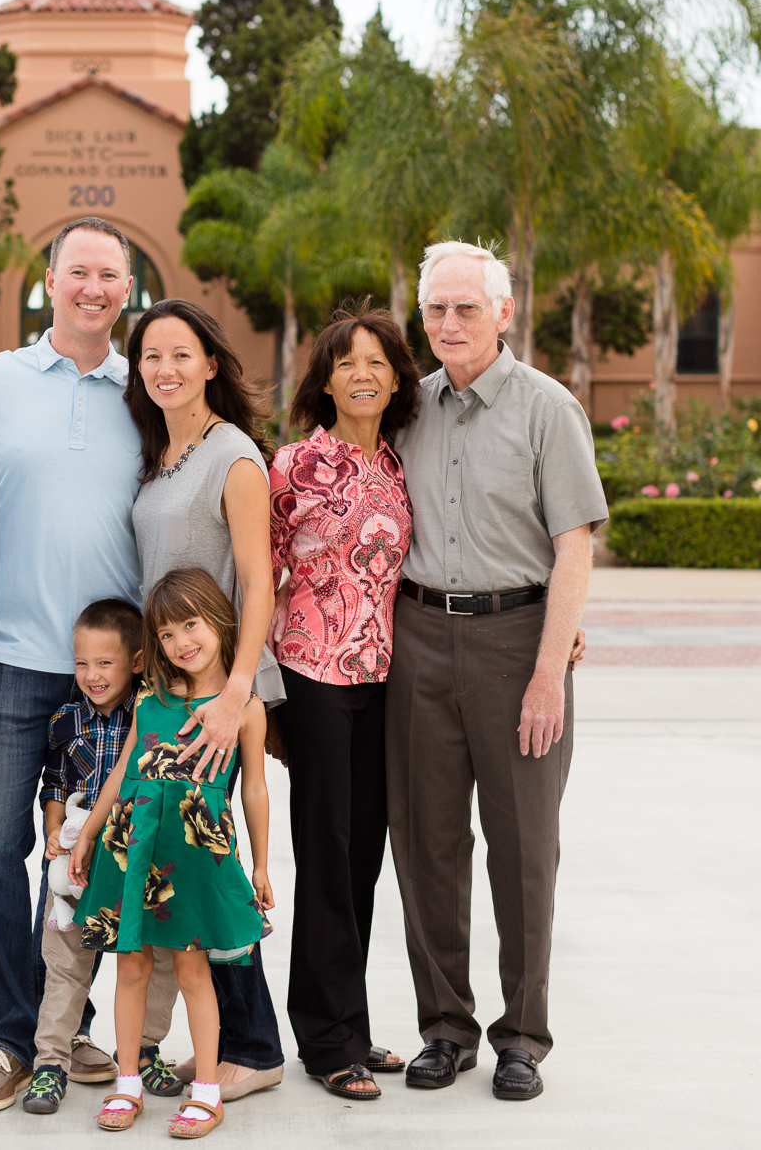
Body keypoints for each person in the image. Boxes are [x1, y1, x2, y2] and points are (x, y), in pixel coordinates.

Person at [0, 216, 179, 1111]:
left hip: (115, 677)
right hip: (8, 660)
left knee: (91, 853)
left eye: (110, 274)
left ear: (130, 287)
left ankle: (72, 1030)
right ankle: (4, 1036)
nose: (93, 287)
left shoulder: (146, 392)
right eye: (77, 271)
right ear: (50, 279)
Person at [387, 241, 608, 1102]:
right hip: (419, 637)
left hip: (519, 642)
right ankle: (445, 1029)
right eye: (436, 309)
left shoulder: (548, 408)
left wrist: (551, 665)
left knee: (524, 849)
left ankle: (522, 1037)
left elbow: (575, 544)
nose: (448, 324)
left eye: (466, 309)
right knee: (426, 844)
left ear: (503, 313)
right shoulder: (410, 408)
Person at [124, 298, 286, 1097]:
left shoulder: (234, 455)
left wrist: (234, 693)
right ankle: (231, 1038)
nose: (166, 369)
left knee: (212, 869)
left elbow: (258, 579)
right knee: (184, 864)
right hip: (171, 688)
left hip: (217, 693)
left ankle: (253, 1050)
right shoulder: (162, 455)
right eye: (152, 356)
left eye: (182, 354)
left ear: (212, 364)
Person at [268, 309, 420, 1099]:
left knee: (363, 855)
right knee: (325, 855)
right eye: (346, 362)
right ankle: (325, 1040)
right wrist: (262, 699)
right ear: (324, 379)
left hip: (384, 681)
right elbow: (259, 577)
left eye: (377, 361)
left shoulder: (400, 464)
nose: (363, 373)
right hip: (312, 676)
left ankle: (350, 1025)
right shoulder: (294, 464)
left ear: (397, 377)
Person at [69, 568, 273, 1139]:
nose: (181, 642)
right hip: (133, 846)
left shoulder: (243, 708)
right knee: (130, 965)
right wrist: (88, 832)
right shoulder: (149, 701)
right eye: (165, 634)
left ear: (219, 620)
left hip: (194, 854)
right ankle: (127, 1081)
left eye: (191, 624)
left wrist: (259, 863)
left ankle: (206, 1090)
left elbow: (254, 788)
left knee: (192, 968)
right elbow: (123, 769)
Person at [23, 597, 179, 1115]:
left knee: (155, 959)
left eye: (104, 663)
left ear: (136, 661)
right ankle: (51, 1062)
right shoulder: (66, 719)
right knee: (64, 960)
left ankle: (146, 1049)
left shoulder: (153, 710)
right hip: (77, 855)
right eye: (81, 663)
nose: (91, 675)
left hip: (142, 850)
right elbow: (56, 783)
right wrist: (53, 833)